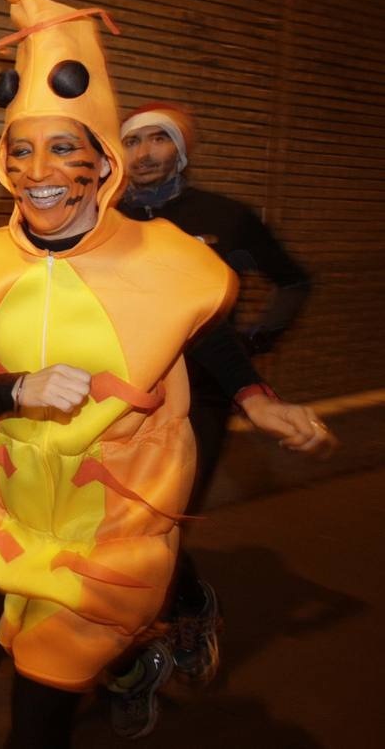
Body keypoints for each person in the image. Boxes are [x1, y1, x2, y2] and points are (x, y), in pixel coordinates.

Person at [0, 0, 332, 748]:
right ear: (4, 165)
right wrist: (19, 387)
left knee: (38, 703)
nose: (40, 168)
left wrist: (255, 398)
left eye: (64, 148)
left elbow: (201, 329)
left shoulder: (163, 256)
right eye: (23, 149)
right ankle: (136, 665)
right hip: (19, 524)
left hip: (118, 518)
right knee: (48, 661)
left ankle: (145, 639)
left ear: (103, 165)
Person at [118, 103, 313, 684]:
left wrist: (258, 338)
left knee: (164, 522)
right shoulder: (106, 219)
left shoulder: (224, 217)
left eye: (160, 139)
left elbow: (294, 280)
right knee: (123, 524)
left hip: (202, 394)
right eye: (133, 141)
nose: (145, 152)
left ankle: (190, 611)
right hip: (125, 396)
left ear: (181, 151)